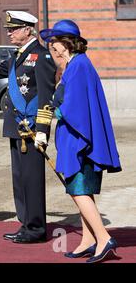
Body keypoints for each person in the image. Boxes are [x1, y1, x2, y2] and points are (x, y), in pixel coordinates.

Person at [40, 20, 122, 263]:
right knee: (82, 190)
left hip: (80, 144)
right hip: (79, 140)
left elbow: (74, 108)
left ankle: (103, 238)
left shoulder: (78, 66)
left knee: (77, 191)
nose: (51, 48)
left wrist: (56, 111)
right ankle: (88, 239)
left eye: (53, 43)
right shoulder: (78, 64)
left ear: (63, 44)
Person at [0, 11, 56, 243]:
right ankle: (26, 224)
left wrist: (42, 129)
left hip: (31, 129)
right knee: (20, 180)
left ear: (28, 29)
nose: (9, 33)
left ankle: (36, 228)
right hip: (16, 126)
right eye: (9, 29)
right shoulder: (17, 56)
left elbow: (46, 97)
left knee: (32, 180)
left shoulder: (42, 56)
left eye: (14, 28)